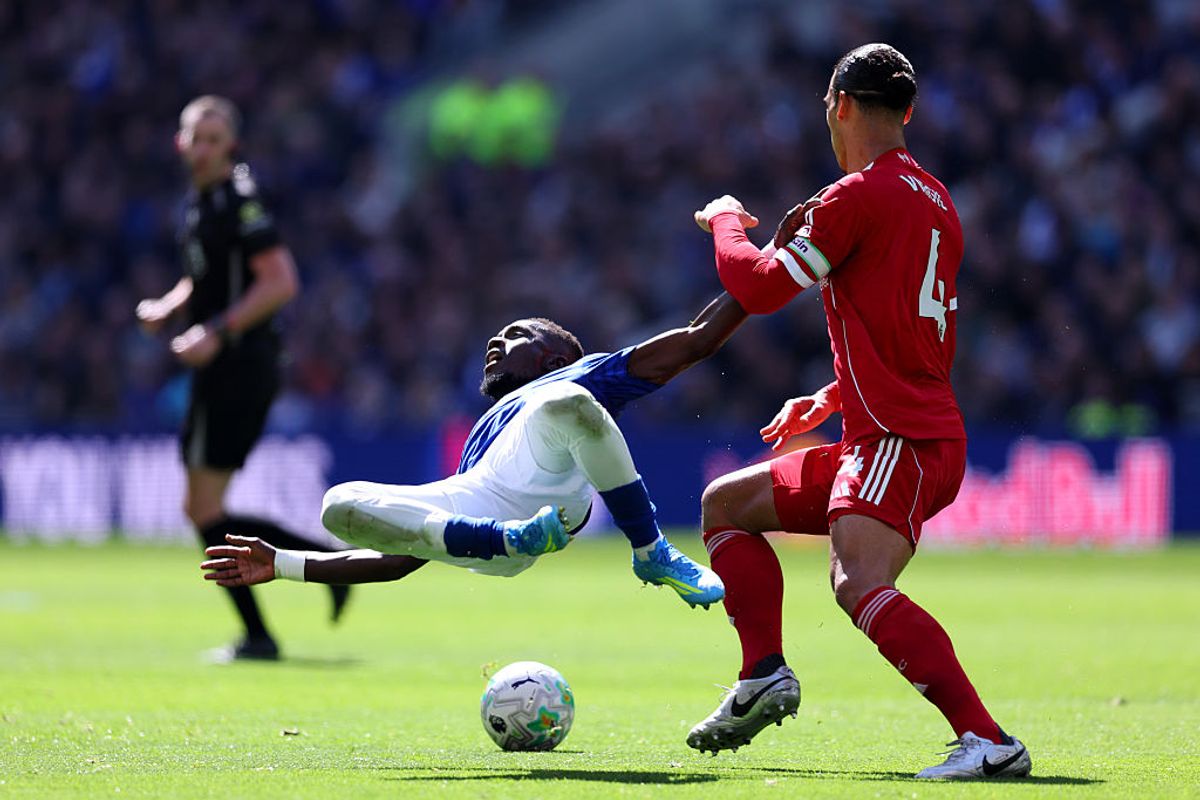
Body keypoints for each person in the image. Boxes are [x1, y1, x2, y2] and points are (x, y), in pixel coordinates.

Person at [685, 44, 1031, 780]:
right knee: (727, 505)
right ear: (905, 111)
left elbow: (761, 286)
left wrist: (725, 222)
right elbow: (914, 332)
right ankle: (762, 675)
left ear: (840, 105)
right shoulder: (937, 201)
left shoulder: (856, 198)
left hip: (901, 440)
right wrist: (833, 396)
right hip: (898, 430)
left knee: (858, 583)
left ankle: (988, 740)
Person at [201, 293, 748, 606]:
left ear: (555, 354)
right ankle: (507, 537)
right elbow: (397, 560)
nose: (496, 342)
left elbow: (698, 339)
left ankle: (651, 551)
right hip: (489, 517)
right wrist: (286, 565)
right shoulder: (479, 440)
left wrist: (765, 270)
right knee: (337, 505)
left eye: (516, 334)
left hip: (555, 485)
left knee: (567, 403)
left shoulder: (582, 374)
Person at [136, 96, 350, 662]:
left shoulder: (240, 200)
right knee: (202, 508)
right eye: (195, 137)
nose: (203, 147)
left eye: (214, 138)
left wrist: (217, 332)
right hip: (224, 366)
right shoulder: (201, 203)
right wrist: (172, 304)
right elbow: (204, 275)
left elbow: (280, 281)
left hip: (240, 365)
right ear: (180, 143)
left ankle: (274, 620)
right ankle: (318, 572)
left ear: (231, 146)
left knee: (204, 509)